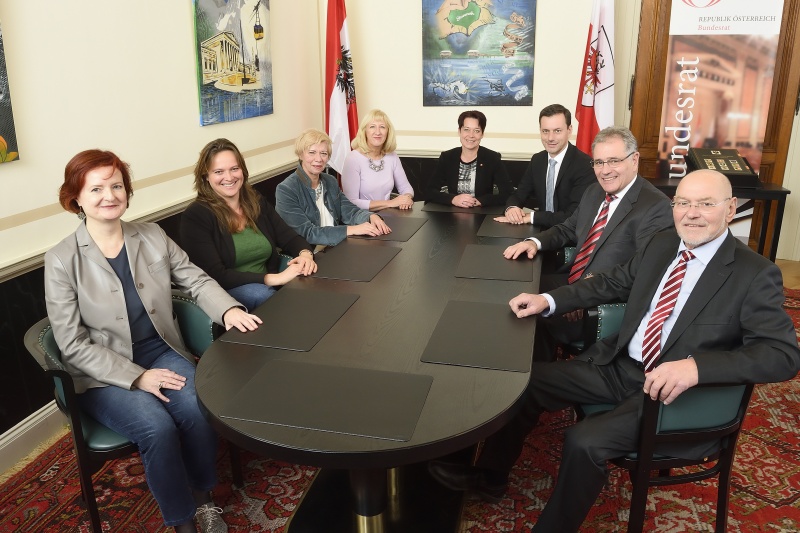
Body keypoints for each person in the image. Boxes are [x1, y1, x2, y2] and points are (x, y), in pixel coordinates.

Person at [429, 169, 800, 532]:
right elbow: (611, 282)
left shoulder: (755, 273)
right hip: (620, 366)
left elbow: (782, 355)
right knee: (525, 383)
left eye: (705, 203)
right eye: (683, 202)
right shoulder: (663, 243)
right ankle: (491, 476)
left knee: (583, 441)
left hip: (674, 395)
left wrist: (695, 368)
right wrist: (547, 299)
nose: (692, 213)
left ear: (731, 209)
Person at [44, 150, 262, 533]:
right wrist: (137, 378)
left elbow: (195, 280)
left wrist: (228, 311)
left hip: (159, 350)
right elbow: (72, 344)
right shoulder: (61, 259)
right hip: (103, 372)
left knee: (199, 408)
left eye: (116, 185)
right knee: (156, 428)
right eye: (96, 188)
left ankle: (204, 499)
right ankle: (181, 522)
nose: (109, 195)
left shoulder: (151, 235)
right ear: (76, 198)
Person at [501, 126, 673, 361]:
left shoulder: (655, 207)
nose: (605, 171)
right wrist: (534, 242)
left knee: (531, 321)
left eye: (613, 161)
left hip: (604, 302)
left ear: (634, 160)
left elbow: (640, 272)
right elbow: (568, 228)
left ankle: (534, 383)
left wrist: (581, 295)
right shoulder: (594, 192)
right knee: (515, 288)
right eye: (599, 162)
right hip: (576, 279)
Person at [180, 138, 317, 311]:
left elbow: (288, 237)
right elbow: (215, 275)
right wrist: (272, 279)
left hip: (271, 283)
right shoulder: (196, 216)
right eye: (218, 172)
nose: (229, 177)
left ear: (242, 170)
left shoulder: (254, 200)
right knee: (264, 296)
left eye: (234, 169)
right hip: (229, 290)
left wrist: (305, 254)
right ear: (206, 176)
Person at [275, 129, 391, 246]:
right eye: (312, 152)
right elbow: (308, 233)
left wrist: (371, 216)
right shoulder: (286, 190)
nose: (318, 159)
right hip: (309, 255)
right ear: (301, 155)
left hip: (338, 247)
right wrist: (351, 230)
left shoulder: (330, 181)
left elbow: (350, 211)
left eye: (323, 153)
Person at [498, 104, 595, 228]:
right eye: (545, 131)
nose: (550, 138)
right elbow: (519, 194)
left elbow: (573, 215)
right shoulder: (538, 160)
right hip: (541, 230)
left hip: (569, 234)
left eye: (557, 131)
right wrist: (512, 209)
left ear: (569, 130)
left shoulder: (584, 164)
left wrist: (530, 217)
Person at [425, 110, 513, 208]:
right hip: (451, 214)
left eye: (477, 131)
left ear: (482, 134)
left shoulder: (492, 158)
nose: (471, 135)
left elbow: (508, 194)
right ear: (459, 131)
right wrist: (453, 199)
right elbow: (430, 192)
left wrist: (479, 201)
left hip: (482, 214)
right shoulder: (447, 157)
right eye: (466, 129)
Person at [342, 109, 414, 211]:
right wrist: (391, 203)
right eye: (372, 127)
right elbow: (351, 201)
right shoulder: (353, 158)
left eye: (382, 127)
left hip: (388, 215)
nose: (378, 132)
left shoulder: (392, 156)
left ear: (388, 132)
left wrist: (406, 198)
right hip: (361, 218)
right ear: (364, 131)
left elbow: (406, 188)